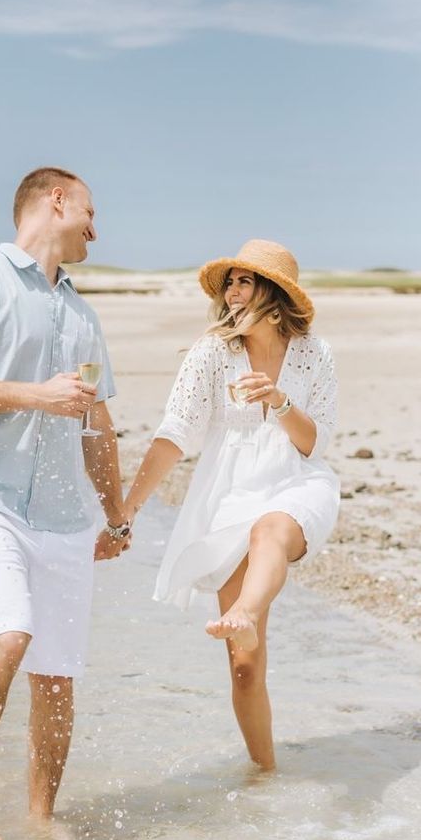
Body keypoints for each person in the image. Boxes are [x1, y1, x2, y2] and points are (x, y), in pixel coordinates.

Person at [0, 167, 132, 840]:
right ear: (57, 201)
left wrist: (117, 514)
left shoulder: (82, 313)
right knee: (10, 634)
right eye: (90, 213)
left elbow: (97, 422)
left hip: (68, 520)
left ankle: (40, 822)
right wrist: (36, 395)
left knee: (58, 676)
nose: (97, 230)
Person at [121, 240, 339, 770]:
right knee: (245, 666)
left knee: (270, 531)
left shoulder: (314, 353)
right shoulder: (212, 353)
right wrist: (127, 509)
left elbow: (316, 442)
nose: (233, 293)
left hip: (297, 481)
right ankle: (266, 775)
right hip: (228, 492)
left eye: (244, 281)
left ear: (273, 292)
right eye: (230, 283)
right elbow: (175, 434)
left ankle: (246, 609)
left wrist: (279, 401)